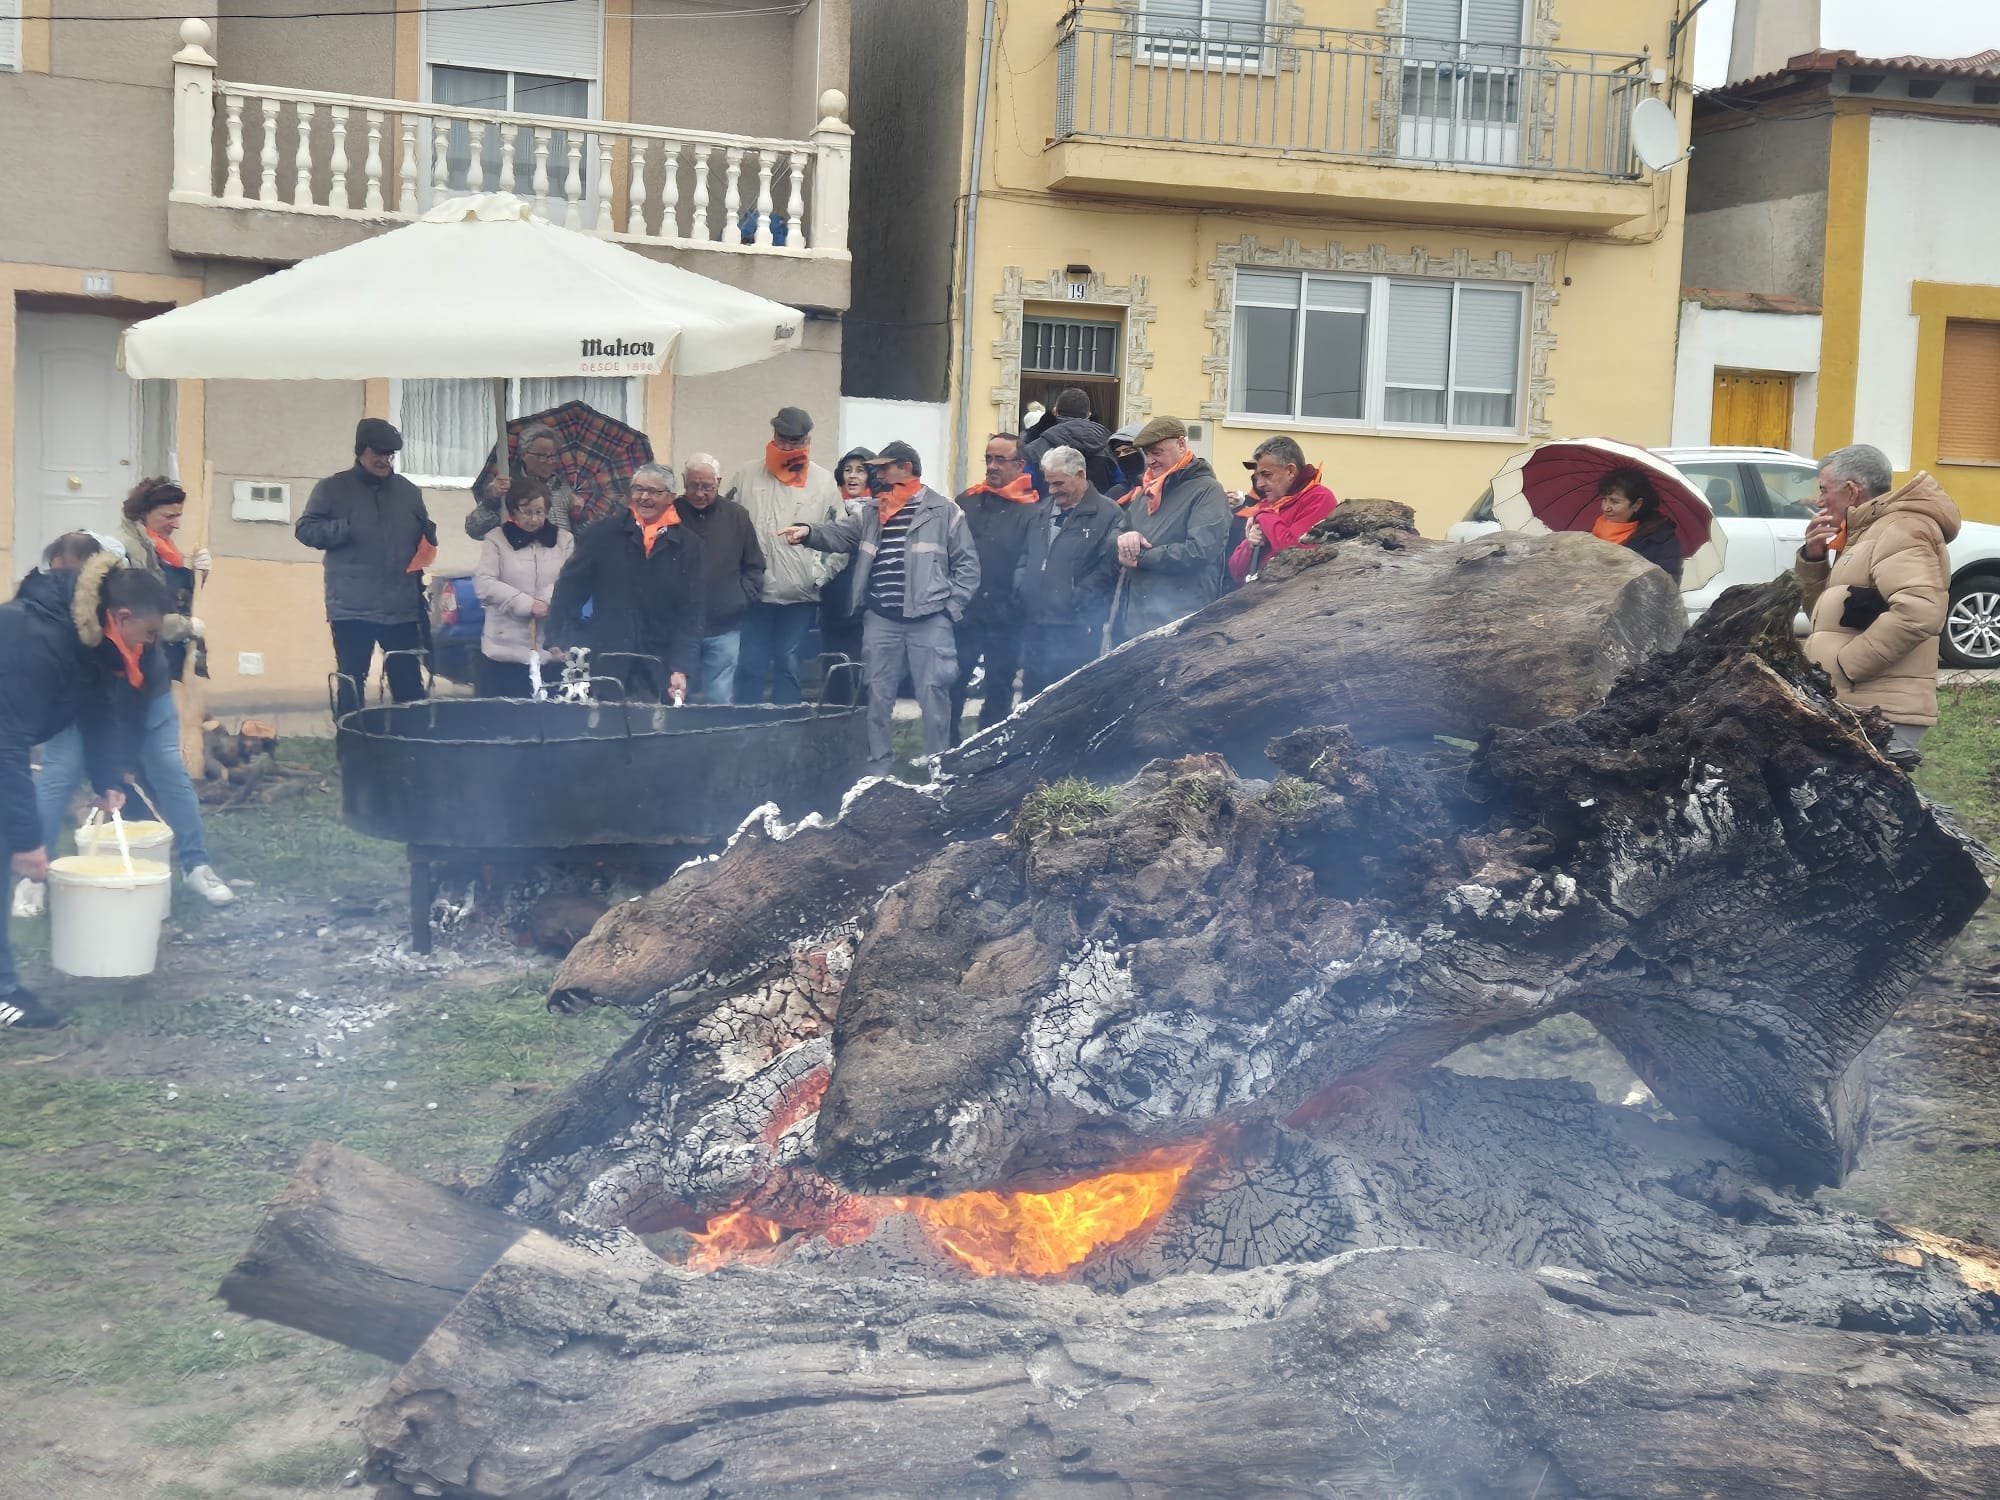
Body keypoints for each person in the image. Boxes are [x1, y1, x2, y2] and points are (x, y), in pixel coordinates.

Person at [20, 480, 237, 911]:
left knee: (169, 771)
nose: (150, 640)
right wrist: (110, 768)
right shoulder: (67, 630)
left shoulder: (141, 630)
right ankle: (34, 879)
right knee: (61, 772)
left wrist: (120, 765)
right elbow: (90, 706)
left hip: (145, 699)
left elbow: (131, 707)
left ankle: (197, 866)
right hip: (76, 704)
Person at [1, 554, 163, 1028]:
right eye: (148, 635)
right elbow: (5, 742)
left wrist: (107, 778)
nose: (150, 646)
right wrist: (29, 840)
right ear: (122, 617)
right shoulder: (35, 639)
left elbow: (95, 712)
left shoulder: (85, 639)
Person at [778, 441, 979, 776]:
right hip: (881, 620)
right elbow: (838, 535)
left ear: (906, 467)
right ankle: (877, 774)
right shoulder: (872, 511)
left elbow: (968, 568)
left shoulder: (945, 512)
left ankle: (938, 772)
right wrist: (808, 532)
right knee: (878, 698)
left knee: (933, 698)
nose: (878, 474)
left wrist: (949, 611)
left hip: (930, 622)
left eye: (885, 467)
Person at [1796, 443, 1959, 758]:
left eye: (1824, 489)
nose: (1819, 500)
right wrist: (1814, 560)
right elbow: (1827, 621)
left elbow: (1920, 611)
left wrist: (1847, 665)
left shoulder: (1901, 529)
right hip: (1858, 703)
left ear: (1853, 490)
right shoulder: (1865, 533)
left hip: (1883, 711)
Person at [296, 418, 438, 718]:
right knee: (352, 682)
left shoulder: (408, 491)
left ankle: (410, 751)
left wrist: (427, 538)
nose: (384, 459)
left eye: (390, 454)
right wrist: (346, 527)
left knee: (408, 686)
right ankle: (352, 746)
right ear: (360, 451)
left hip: (401, 606)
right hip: (351, 607)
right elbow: (306, 531)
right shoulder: (332, 488)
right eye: (378, 452)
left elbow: (423, 534)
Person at [547, 461, 703, 702]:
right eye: (638, 489)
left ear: (671, 497)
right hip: (609, 657)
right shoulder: (602, 534)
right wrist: (557, 633)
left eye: (654, 491)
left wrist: (681, 666)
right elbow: (570, 587)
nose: (644, 497)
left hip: (658, 661)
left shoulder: (689, 545)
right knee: (603, 730)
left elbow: (692, 613)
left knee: (655, 732)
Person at [728, 406, 846, 705]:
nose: (788, 445)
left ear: (807, 441)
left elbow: (842, 539)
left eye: (795, 440)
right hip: (754, 593)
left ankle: (787, 731)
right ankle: (742, 731)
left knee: (787, 665)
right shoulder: (745, 475)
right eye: (783, 438)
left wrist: (817, 575)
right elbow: (724, 525)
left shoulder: (824, 483)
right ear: (774, 435)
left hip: (799, 596)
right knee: (750, 665)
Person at [949, 433, 1040, 743]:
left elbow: (1030, 561)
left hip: (1007, 615)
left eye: (1000, 460)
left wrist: (1017, 599)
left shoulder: (1033, 510)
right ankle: (947, 748)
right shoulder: (967, 501)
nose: (991, 466)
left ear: (1020, 464)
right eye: (988, 458)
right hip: (967, 612)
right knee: (954, 682)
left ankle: (987, 749)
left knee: (1000, 687)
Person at [1015, 446, 1128, 696]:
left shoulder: (1108, 514)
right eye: (1049, 483)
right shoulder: (1042, 511)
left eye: (1058, 483)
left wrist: (1075, 598)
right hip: (1036, 624)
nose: (1052, 491)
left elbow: (1109, 568)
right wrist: (1022, 585)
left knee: (1070, 698)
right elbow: (1026, 555)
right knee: (1031, 700)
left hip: (1077, 628)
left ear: (1079, 475)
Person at [1110, 417, 1232, 645]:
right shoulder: (1150, 488)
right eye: (1147, 454)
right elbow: (1116, 532)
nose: (1150, 461)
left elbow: (1200, 551)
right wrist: (1125, 539)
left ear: (1181, 445)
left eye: (1157, 452)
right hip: (1137, 621)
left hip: (1181, 625)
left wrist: (1141, 557)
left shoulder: (1207, 491)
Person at [471, 478, 574, 698]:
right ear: (513, 511)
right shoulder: (496, 539)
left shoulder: (564, 540)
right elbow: (485, 582)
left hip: (551, 646)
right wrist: (525, 604)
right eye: (527, 512)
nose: (534, 519)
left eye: (539, 512)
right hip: (505, 647)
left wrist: (546, 602)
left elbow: (570, 579)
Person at [675, 452, 766, 704]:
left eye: (708, 487)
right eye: (694, 486)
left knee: (720, 699)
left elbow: (755, 566)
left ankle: (718, 743)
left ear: (719, 482)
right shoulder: (671, 514)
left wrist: (739, 598)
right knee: (678, 699)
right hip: (679, 629)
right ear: (684, 481)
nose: (700, 493)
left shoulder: (737, 516)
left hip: (725, 626)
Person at [1228, 436, 1340, 584]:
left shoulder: (1319, 498)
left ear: (1290, 471)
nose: (1260, 484)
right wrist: (1250, 544)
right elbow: (1236, 571)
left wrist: (1264, 515)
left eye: (1266, 475)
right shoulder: (1268, 505)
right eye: (1257, 477)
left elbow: (1294, 555)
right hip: (1263, 596)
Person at [465, 422, 594, 539]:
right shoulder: (508, 488)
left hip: (558, 562)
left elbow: (587, 540)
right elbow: (475, 530)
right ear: (524, 454)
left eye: (553, 456)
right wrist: (491, 501)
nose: (550, 461)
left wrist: (580, 517)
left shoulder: (564, 489)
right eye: (542, 456)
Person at [818, 446, 875, 705]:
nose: (852, 476)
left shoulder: (879, 511)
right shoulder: (829, 507)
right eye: (848, 469)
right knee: (833, 667)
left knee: (862, 670)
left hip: (867, 605)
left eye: (861, 470)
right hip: (833, 601)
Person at [1591, 468, 1684, 583]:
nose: (1606, 508)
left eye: (1614, 502)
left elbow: (1666, 586)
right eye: (1604, 499)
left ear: (1637, 504)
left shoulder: (1661, 540)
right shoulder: (1598, 529)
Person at [1020, 387, 1116, 495]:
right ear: (1089, 415)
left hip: (1049, 509)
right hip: (1101, 509)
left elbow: (1025, 490)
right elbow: (1119, 485)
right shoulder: (1112, 447)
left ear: (1055, 412)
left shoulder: (1034, 448)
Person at [1104, 423, 1146, 504]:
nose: (1122, 456)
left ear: (1144, 451)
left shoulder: (1164, 489)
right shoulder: (1116, 492)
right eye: (1117, 454)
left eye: (1128, 451)